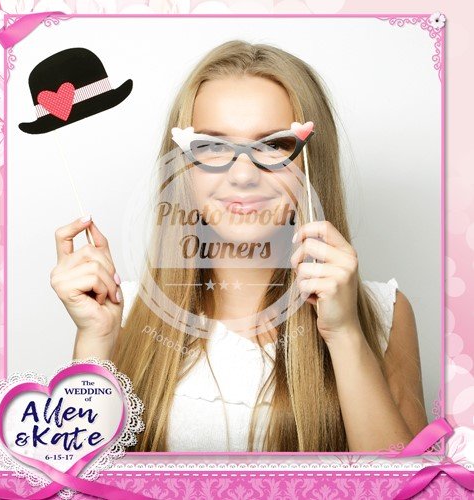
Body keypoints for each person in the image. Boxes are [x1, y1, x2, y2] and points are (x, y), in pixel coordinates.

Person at [50, 40, 428, 452]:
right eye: (212, 146)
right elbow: (75, 477)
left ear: (309, 162)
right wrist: (96, 340)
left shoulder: (384, 311)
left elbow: (405, 483)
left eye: (275, 145)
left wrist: (344, 333)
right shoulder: (124, 310)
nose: (243, 175)